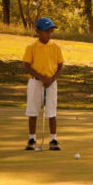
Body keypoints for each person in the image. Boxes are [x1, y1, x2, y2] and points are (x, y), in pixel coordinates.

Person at [23, 17, 64, 150]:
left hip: (51, 83)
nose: (49, 33)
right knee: (33, 112)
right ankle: (32, 139)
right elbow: (27, 65)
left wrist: (51, 80)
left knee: (51, 113)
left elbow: (60, 65)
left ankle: (53, 140)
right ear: (38, 31)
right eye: (46, 31)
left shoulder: (56, 47)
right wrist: (41, 78)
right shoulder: (32, 47)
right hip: (35, 83)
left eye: (50, 30)